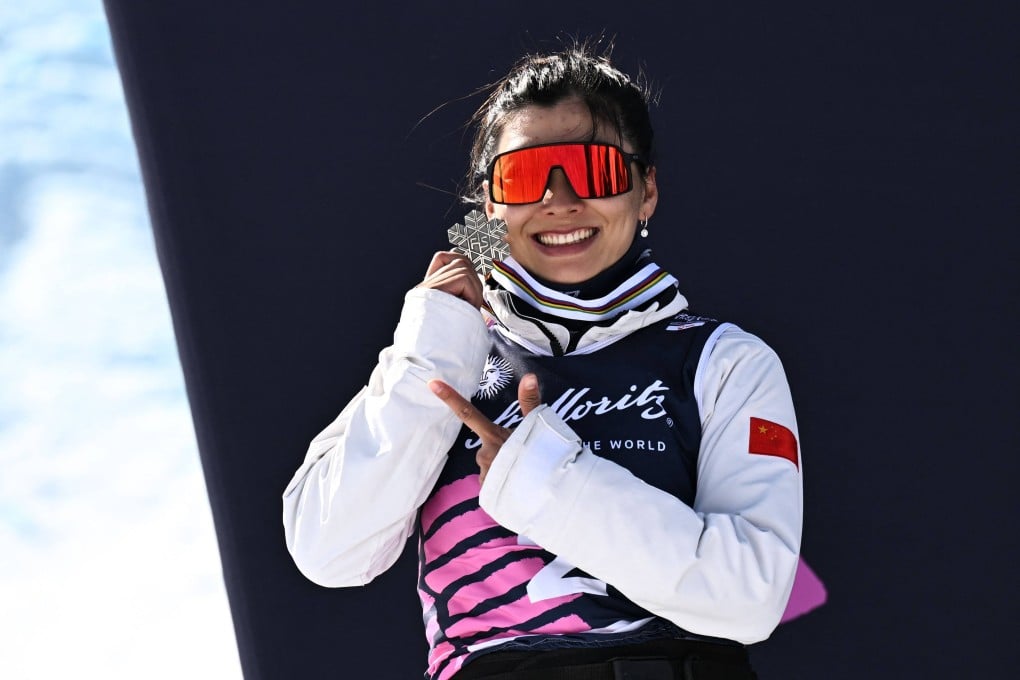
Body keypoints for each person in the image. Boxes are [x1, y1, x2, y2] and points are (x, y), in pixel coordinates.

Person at [283, 42, 802, 680]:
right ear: (491, 210)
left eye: (594, 170)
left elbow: (752, 597)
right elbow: (329, 551)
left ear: (647, 192)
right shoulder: (440, 353)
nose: (559, 201)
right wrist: (435, 343)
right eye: (524, 177)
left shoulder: (723, 361)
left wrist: (546, 478)